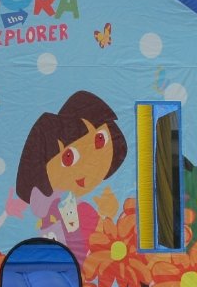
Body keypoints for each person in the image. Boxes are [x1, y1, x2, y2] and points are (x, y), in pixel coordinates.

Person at [16, 90, 127, 261]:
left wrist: (107, 215)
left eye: (99, 140)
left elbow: (99, 238)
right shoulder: (51, 211)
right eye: (68, 158)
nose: (88, 163)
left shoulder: (83, 209)